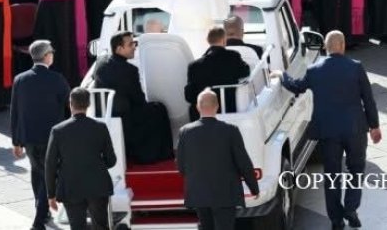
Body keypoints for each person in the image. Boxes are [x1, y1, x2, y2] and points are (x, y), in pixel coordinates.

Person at [273, 31, 380, 230]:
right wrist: (374, 126)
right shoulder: (356, 68)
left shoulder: (314, 70)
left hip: (328, 131)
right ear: (343, 45)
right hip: (355, 129)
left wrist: (282, 76)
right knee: (356, 170)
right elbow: (369, 100)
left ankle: (336, 220)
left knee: (332, 176)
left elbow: (297, 87)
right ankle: (351, 208)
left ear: (326, 48)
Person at [176, 89, 260, 230]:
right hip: (225, 194)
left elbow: (180, 165)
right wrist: (254, 188)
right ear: (217, 107)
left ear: (197, 107)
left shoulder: (185, 131)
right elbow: (243, 162)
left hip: (199, 194)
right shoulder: (231, 130)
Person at [10, 40, 70, 230]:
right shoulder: (57, 78)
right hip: (51, 137)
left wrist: (16, 141)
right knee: (50, 175)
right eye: (51, 52)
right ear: (46, 56)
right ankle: (38, 219)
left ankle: (41, 212)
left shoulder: (20, 79)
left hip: (28, 137)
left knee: (37, 173)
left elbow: (15, 112)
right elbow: (69, 104)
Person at [93, 32, 173, 164]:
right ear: (119, 49)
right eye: (130, 44)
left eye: (134, 43)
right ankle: (157, 154)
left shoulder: (101, 63)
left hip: (106, 112)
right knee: (159, 109)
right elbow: (139, 99)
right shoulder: (129, 70)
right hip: (127, 116)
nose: (135, 47)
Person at [45, 87, 117, 230]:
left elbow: (50, 164)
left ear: (70, 104)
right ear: (88, 104)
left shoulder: (58, 130)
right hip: (98, 185)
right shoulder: (100, 127)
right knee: (101, 226)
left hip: (71, 187)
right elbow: (111, 160)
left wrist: (51, 194)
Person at [184, 27, 250, 121]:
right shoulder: (233, 56)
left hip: (202, 115)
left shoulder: (194, 66)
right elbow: (246, 72)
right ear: (224, 40)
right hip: (229, 110)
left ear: (208, 41)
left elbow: (189, 96)